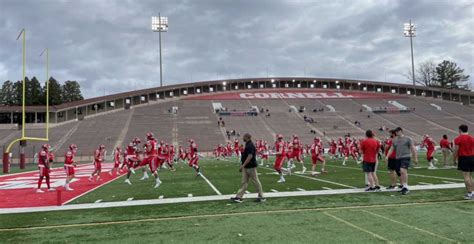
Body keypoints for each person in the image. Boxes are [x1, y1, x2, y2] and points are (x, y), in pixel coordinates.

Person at [231, 133, 265, 203]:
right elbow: (246, 155)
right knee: (244, 182)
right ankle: (239, 197)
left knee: (255, 181)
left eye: (244, 137)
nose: (243, 138)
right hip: (247, 167)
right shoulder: (247, 144)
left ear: (247, 137)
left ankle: (261, 196)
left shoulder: (250, 145)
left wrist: (242, 166)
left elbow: (250, 156)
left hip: (251, 166)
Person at [386, 127, 418, 195]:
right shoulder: (394, 140)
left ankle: (406, 187)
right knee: (400, 172)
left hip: (406, 157)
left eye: (397, 131)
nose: (396, 132)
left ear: (401, 131)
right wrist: (387, 156)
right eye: (396, 131)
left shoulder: (408, 139)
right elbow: (391, 148)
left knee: (403, 170)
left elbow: (413, 148)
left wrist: (415, 158)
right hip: (398, 158)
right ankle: (403, 186)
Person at [453, 124, 474, 200]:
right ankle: (472, 192)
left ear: (460, 130)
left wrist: (454, 160)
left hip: (464, 158)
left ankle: (470, 193)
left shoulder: (458, 139)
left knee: (466, 177)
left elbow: (456, 150)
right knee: (470, 176)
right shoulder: (472, 138)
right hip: (472, 157)